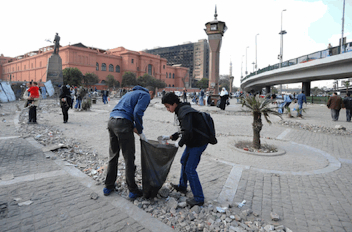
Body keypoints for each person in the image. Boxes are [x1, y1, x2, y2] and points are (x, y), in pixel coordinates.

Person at [103, 85, 155, 199]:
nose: (149, 101)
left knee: (113, 155)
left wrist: (134, 127)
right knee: (129, 158)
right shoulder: (145, 95)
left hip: (111, 121)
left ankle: (108, 186)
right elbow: (137, 112)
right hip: (123, 123)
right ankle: (132, 190)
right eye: (151, 98)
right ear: (151, 93)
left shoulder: (130, 93)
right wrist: (140, 130)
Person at [161, 92, 210, 207]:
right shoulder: (182, 109)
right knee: (184, 161)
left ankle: (199, 198)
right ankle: (182, 186)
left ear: (174, 103)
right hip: (193, 140)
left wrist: (179, 143)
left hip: (198, 142)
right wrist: (171, 137)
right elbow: (184, 129)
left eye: (168, 106)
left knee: (190, 169)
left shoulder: (184, 112)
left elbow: (187, 131)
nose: (168, 109)